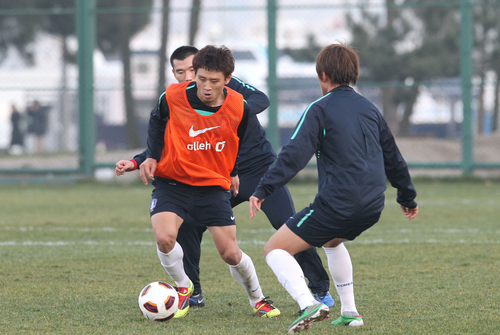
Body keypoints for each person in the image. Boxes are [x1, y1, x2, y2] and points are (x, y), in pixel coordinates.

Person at [116, 46, 334, 308]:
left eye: (191, 71)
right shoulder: (177, 98)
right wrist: (141, 159)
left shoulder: (233, 99)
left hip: (254, 169)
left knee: (286, 225)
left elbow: (261, 99)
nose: (190, 78)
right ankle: (192, 292)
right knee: (187, 224)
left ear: (223, 78)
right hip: (213, 175)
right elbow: (170, 139)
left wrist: (230, 111)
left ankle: (319, 287)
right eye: (181, 72)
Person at [249, 42, 419, 334]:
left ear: (323, 75)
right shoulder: (370, 108)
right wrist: (406, 195)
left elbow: (293, 154)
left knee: (274, 248)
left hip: (339, 202)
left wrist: (264, 188)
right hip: (372, 204)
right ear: (353, 74)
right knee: (331, 241)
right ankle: (350, 312)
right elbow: (393, 156)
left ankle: (309, 304)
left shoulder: (319, 108)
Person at [139, 45, 280, 319]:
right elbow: (156, 122)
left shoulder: (239, 106)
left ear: (227, 80)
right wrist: (152, 157)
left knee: (230, 253)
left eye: (213, 81)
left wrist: (234, 171)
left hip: (212, 187)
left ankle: (257, 298)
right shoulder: (172, 96)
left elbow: (240, 141)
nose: (205, 86)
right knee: (165, 237)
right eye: (201, 78)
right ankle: (183, 287)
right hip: (173, 183)